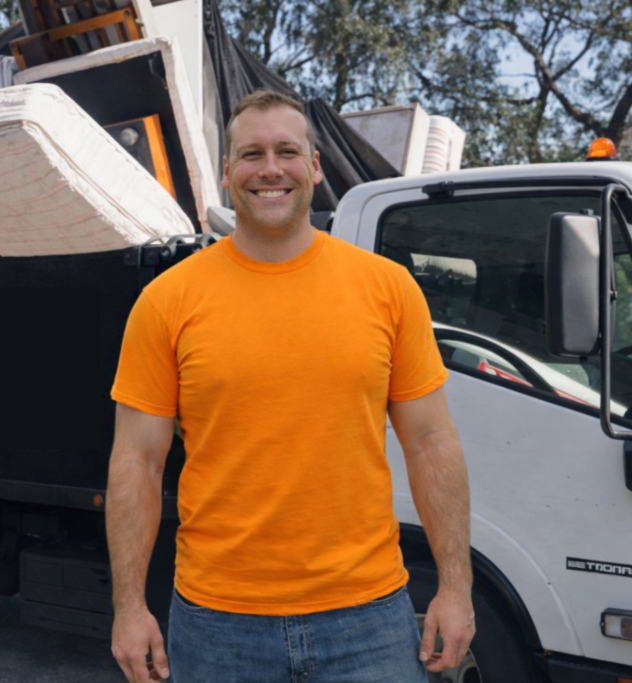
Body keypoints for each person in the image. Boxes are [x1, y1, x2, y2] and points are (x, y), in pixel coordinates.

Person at [105, 89, 475, 683]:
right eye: (251, 154)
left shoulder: (388, 289)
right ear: (226, 174)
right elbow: (136, 462)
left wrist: (456, 588)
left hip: (369, 620)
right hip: (217, 623)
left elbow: (432, 444)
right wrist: (129, 607)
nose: (270, 169)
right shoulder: (167, 301)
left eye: (287, 151)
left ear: (315, 167)